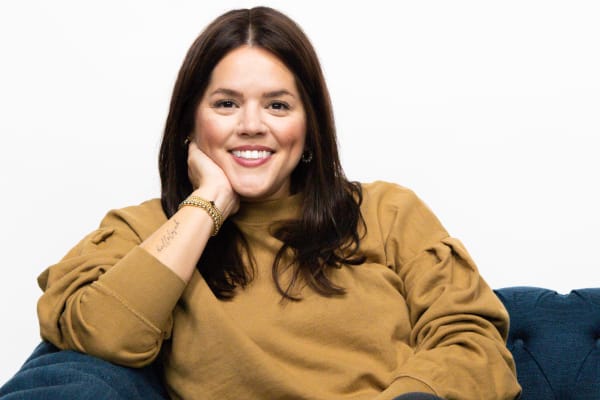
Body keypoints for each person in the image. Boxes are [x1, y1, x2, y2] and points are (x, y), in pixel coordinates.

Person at [0, 6, 520, 400]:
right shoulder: (147, 231)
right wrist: (208, 202)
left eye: (277, 105)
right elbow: (107, 337)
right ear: (190, 122)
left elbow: (469, 337)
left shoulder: (387, 212)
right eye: (226, 104)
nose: (251, 124)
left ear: (309, 127)